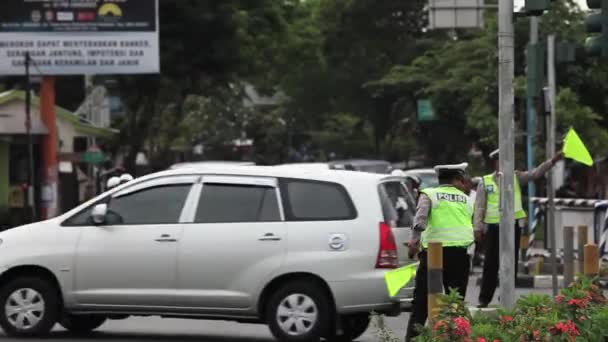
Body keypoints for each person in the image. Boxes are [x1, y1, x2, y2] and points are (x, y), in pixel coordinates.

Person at [475, 149, 563, 308]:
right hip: (493, 229)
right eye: (500, 161)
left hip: (512, 227)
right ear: (495, 163)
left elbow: (536, 173)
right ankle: (484, 299)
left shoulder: (516, 177)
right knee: (490, 264)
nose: (504, 164)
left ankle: (506, 297)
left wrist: (553, 161)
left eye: (506, 161)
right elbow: (480, 207)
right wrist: (478, 228)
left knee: (511, 263)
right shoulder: (485, 181)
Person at [405, 163, 474, 341]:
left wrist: (413, 243)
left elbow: (419, 221)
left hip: (434, 256)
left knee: (421, 303)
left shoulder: (430, 194)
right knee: (456, 304)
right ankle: (455, 338)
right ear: (457, 180)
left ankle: (414, 339)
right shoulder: (466, 199)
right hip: (460, 255)